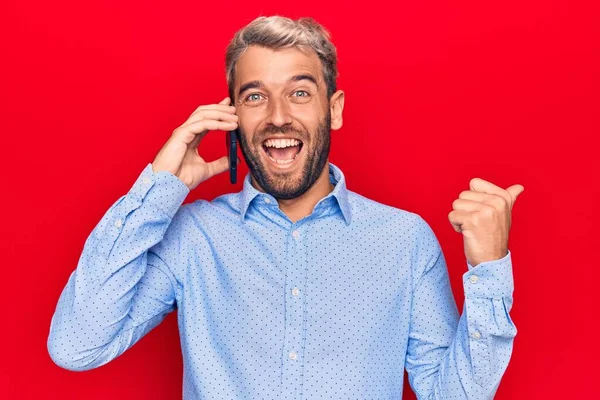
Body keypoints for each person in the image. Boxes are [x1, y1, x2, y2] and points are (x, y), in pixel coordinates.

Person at [47, 15, 524, 399]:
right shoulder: (194, 236)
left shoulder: (404, 239)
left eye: (300, 93)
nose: (278, 116)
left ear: (333, 109)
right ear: (231, 116)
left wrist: (489, 270)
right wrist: (160, 186)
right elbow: (77, 346)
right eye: (256, 96)